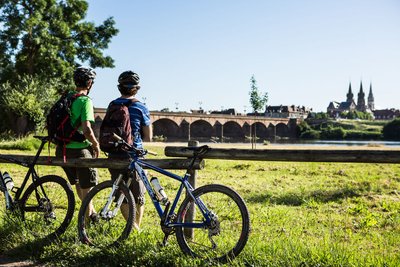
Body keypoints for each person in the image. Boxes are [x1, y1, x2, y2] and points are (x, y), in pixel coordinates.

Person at [107, 70, 152, 229]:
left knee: (121, 193)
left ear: (119, 88)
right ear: (137, 88)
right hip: (134, 155)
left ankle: (132, 228)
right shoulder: (141, 107)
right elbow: (148, 137)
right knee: (138, 195)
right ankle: (136, 229)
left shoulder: (112, 105)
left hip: (114, 154)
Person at [56, 66, 100, 219]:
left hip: (62, 150)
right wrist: (95, 144)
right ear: (89, 83)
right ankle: (84, 230)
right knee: (88, 189)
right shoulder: (84, 100)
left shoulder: (66, 97)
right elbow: (87, 129)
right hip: (79, 150)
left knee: (79, 184)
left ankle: (92, 215)